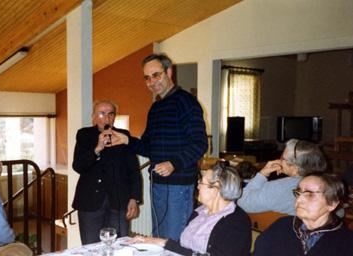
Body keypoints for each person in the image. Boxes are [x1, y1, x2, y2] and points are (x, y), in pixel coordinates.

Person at [109, 53, 208, 241]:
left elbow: (200, 142)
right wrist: (127, 140)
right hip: (158, 185)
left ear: (169, 72)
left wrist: (174, 163)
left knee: (173, 242)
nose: (152, 81)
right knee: (157, 239)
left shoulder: (186, 102)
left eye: (156, 75)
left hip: (179, 185)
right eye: (147, 78)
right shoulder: (155, 108)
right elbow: (148, 147)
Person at [129, 162, 251, 256]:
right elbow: (183, 247)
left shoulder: (237, 223)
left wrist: (162, 242)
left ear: (216, 189)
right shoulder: (200, 212)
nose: (197, 186)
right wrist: (149, 240)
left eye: (201, 182)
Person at [72, 100, 142, 244]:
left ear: (114, 117)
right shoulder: (84, 135)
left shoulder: (123, 136)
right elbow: (78, 166)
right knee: (91, 248)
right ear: (94, 116)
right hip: (90, 202)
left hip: (118, 202)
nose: (107, 117)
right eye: (102, 113)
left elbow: (134, 171)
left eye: (111, 114)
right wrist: (97, 149)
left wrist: (134, 198)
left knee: (118, 246)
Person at [254, 172, 353, 256]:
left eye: (310, 194)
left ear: (332, 203)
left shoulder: (346, 243)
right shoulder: (281, 226)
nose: (299, 199)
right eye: (298, 193)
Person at [237, 139, 327, 215]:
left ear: (295, 168)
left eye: (282, 158)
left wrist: (262, 175)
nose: (279, 160)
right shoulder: (328, 185)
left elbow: (242, 202)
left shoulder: (278, 188)